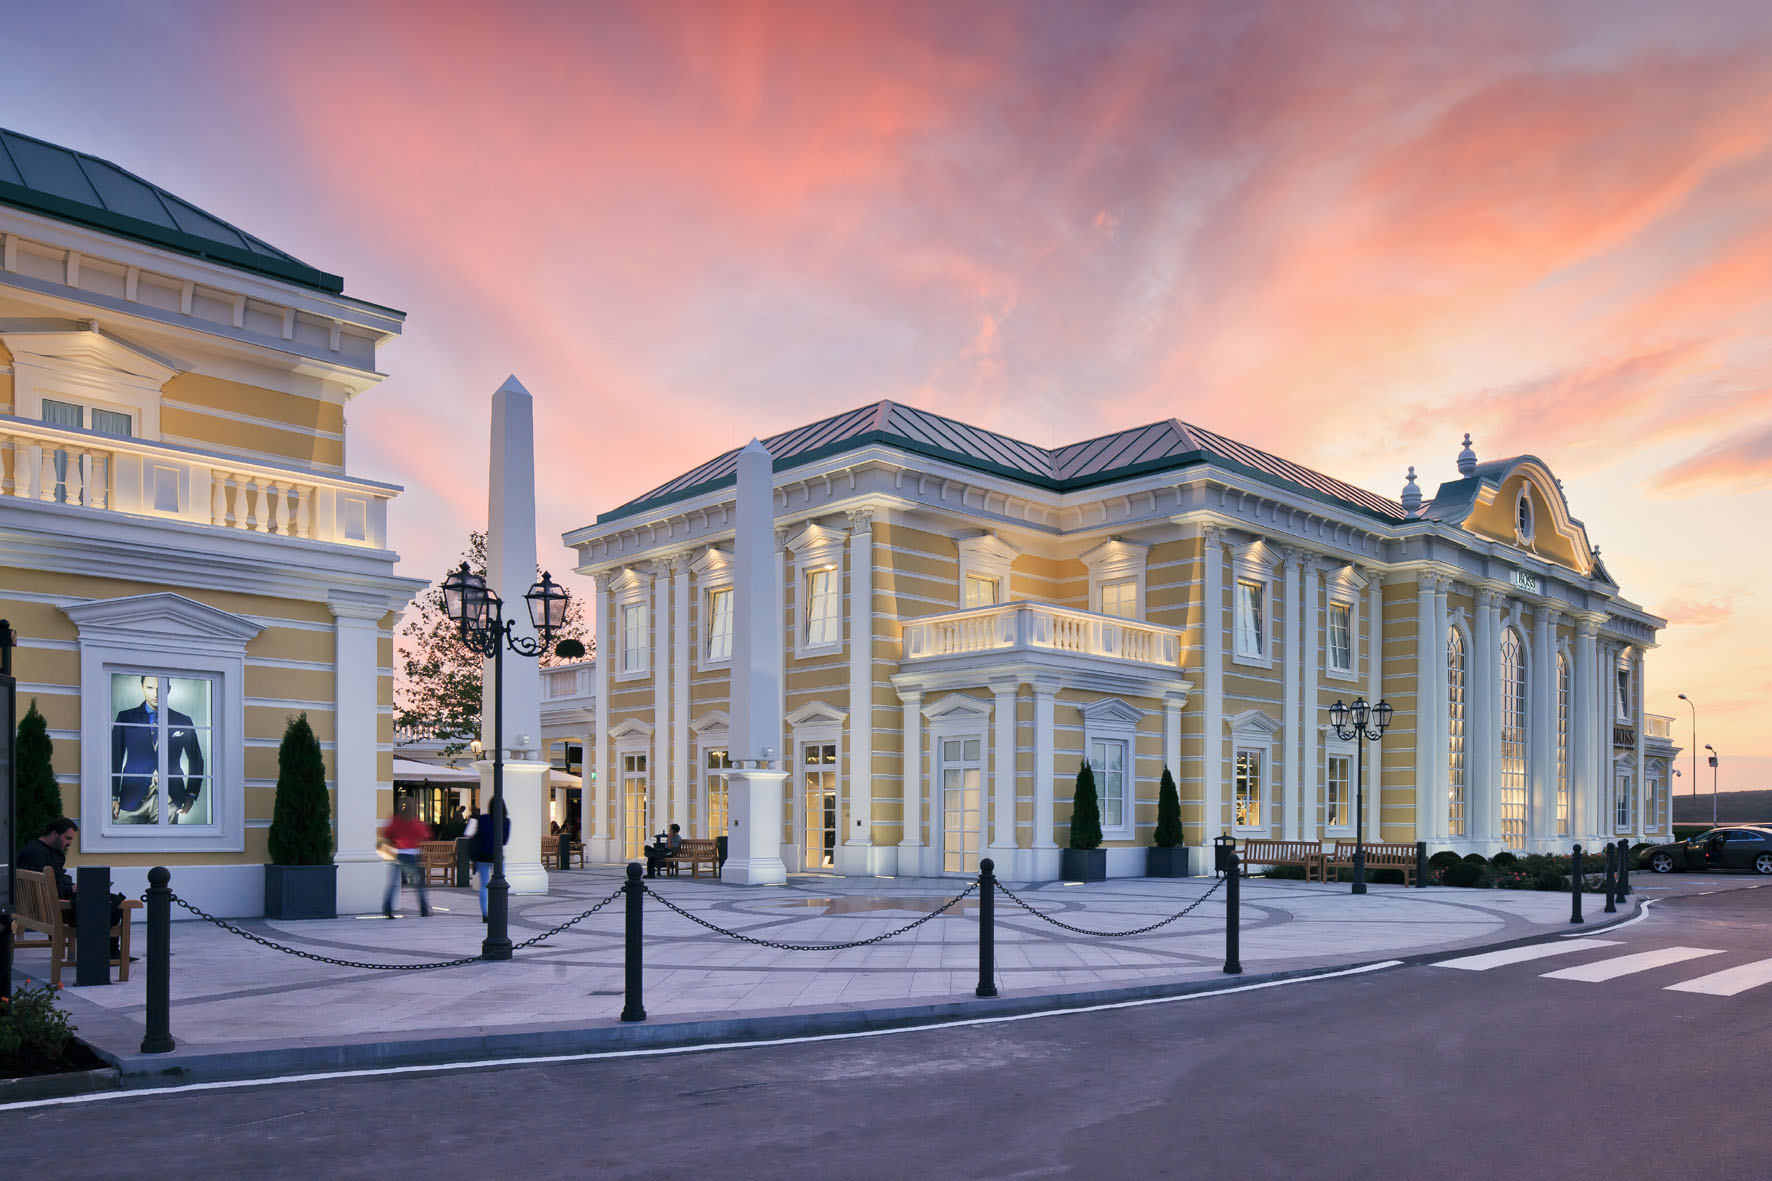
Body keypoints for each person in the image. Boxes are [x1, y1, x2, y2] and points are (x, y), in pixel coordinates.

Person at [17, 818, 130, 954]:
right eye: (67, 838)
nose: (69, 844)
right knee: (111, 904)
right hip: (52, 910)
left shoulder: (38, 850)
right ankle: (107, 952)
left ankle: (107, 950)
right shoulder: (36, 854)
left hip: (52, 905)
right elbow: (40, 890)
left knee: (110, 899)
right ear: (54, 834)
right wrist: (72, 888)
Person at [110, 674, 206, 824]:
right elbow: (114, 757)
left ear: (168, 689)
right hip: (132, 797)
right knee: (126, 847)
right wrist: (113, 795)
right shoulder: (126, 718)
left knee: (167, 847)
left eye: (160, 688)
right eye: (150, 688)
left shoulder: (182, 721)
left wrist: (191, 793)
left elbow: (196, 759)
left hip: (170, 798)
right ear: (142, 688)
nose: (155, 693)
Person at [380, 798, 432, 918]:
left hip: (397, 853)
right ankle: (424, 909)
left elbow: (386, 833)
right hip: (411, 855)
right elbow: (424, 835)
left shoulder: (396, 820)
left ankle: (387, 909)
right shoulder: (415, 822)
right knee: (418, 884)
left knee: (393, 883)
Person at [462, 805, 511, 921]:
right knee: (500, 884)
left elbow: (467, 833)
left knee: (484, 885)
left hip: (482, 857)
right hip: (497, 857)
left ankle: (485, 913)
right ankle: (498, 911)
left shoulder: (481, 819)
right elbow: (505, 841)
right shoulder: (506, 821)